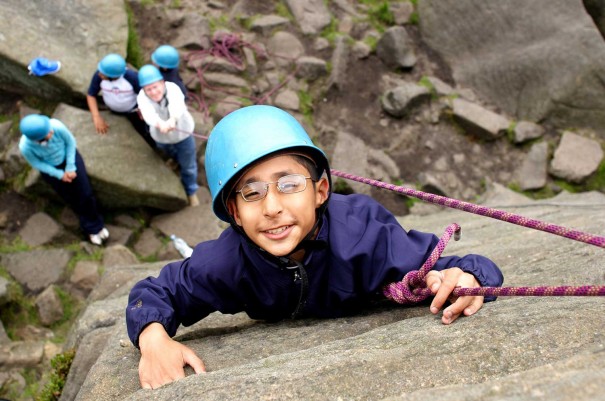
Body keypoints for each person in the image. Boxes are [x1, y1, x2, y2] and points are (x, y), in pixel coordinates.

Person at [126, 105, 504, 389]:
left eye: (289, 184)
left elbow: (453, 266)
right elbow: (156, 292)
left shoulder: (363, 235)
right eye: (251, 192)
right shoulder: (228, 263)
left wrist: (467, 277)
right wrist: (153, 339)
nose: (273, 207)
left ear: (321, 190)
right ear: (234, 213)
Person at [19, 114, 109, 245]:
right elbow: (37, 164)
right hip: (52, 169)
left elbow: (70, 142)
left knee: (86, 194)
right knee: (73, 199)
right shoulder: (25, 147)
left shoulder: (55, 125)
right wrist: (60, 175)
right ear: (37, 140)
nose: (51, 132)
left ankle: (97, 225)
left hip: (69, 159)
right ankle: (91, 229)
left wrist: (70, 167)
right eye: (47, 133)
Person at [136, 64, 199, 206]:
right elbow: (147, 113)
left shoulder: (173, 88)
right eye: (149, 89)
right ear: (144, 89)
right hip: (161, 136)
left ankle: (191, 191)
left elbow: (177, 105)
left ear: (162, 83)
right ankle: (175, 159)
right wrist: (159, 123)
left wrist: (172, 120)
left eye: (155, 87)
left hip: (183, 133)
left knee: (188, 165)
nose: (153, 92)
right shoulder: (142, 97)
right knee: (167, 150)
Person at [86, 53, 155, 149]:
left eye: (103, 74)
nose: (99, 74)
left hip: (133, 111)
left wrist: (144, 110)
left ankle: (153, 146)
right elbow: (91, 95)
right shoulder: (99, 76)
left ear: (113, 76)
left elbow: (145, 95)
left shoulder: (132, 78)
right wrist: (96, 116)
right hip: (112, 110)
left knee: (144, 131)